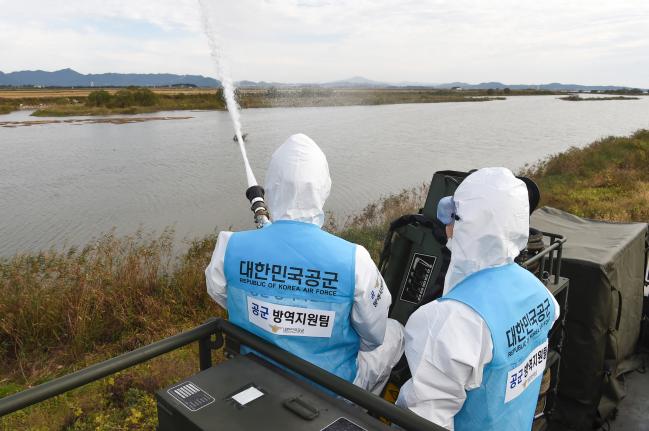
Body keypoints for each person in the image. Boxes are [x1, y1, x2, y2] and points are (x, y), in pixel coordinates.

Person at [205, 133, 404, 394]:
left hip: (256, 374)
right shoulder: (354, 258)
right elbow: (373, 337)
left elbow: (222, 293)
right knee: (396, 331)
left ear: (272, 186)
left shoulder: (229, 246)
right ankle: (368, 407)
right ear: (323, 186)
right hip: (332, 390)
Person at [396, 167, 560, 430]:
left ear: (466, 225)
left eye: (452, 215)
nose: (446, 224)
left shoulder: (450, 319)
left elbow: (424, 419)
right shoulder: (541, 295)